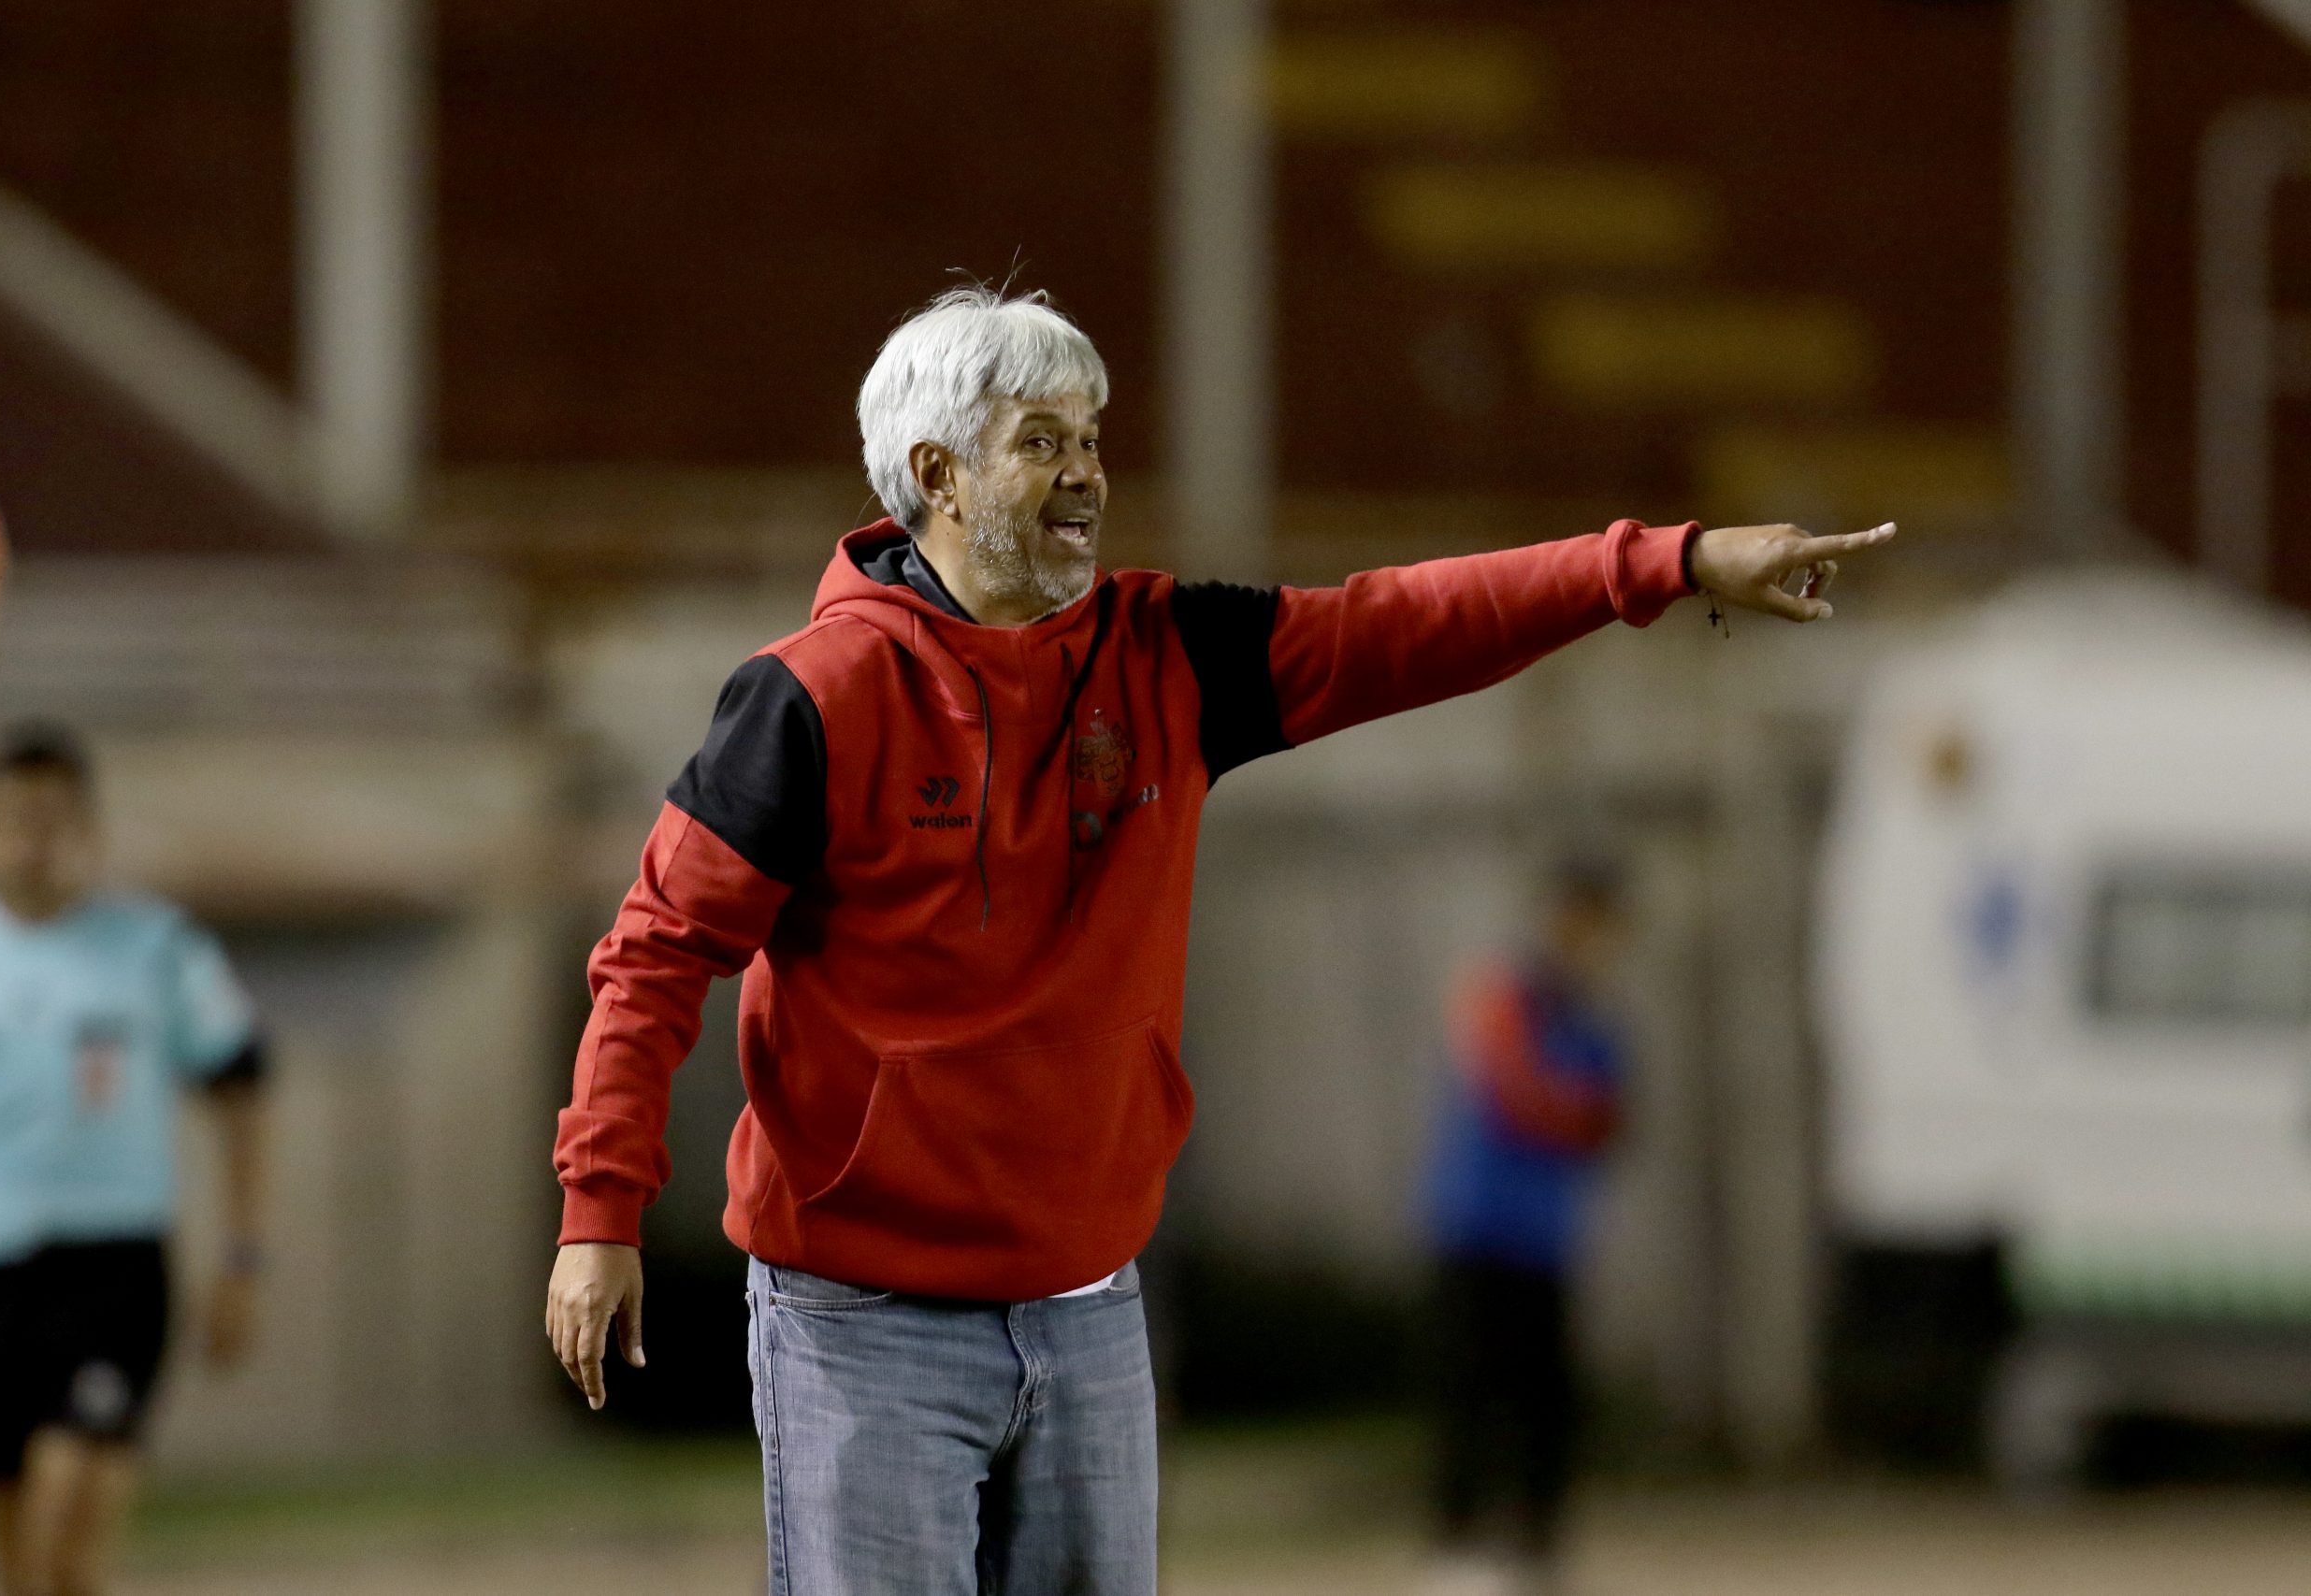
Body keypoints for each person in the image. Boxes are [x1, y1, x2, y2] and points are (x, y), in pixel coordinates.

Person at [544, 283, 1895, 1596]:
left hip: (1089, 1308)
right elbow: (655, 953)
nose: (1085, 476)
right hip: (861, 1320)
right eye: (1042, 442)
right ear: (936, 473)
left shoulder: (1167, 653)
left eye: (1091, 440)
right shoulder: (807, 699)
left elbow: (1409, 623)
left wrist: (1665, 562)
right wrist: (601, 1211)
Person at [0, 725, 267, 1596]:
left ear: (90, 829)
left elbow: (241, 1087)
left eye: (53, 820)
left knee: (68, 1520)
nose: (32, 842)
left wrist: (242, 1256)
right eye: (12, 821)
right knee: (26, 1571)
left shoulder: (155, 948)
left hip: (111, 1275)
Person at [1423, 860, 1632, 1596]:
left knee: (1547, 1400)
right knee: (1471, 1390)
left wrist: (1576, 1111)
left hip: (1547, 1237)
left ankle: (1539, 1548)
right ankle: (1456, 1547)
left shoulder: (1596, 1017)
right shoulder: (1506, 991)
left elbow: (1613, 1121)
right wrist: (1574, 1110)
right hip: (1477, 1227)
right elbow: (1520, 1093)